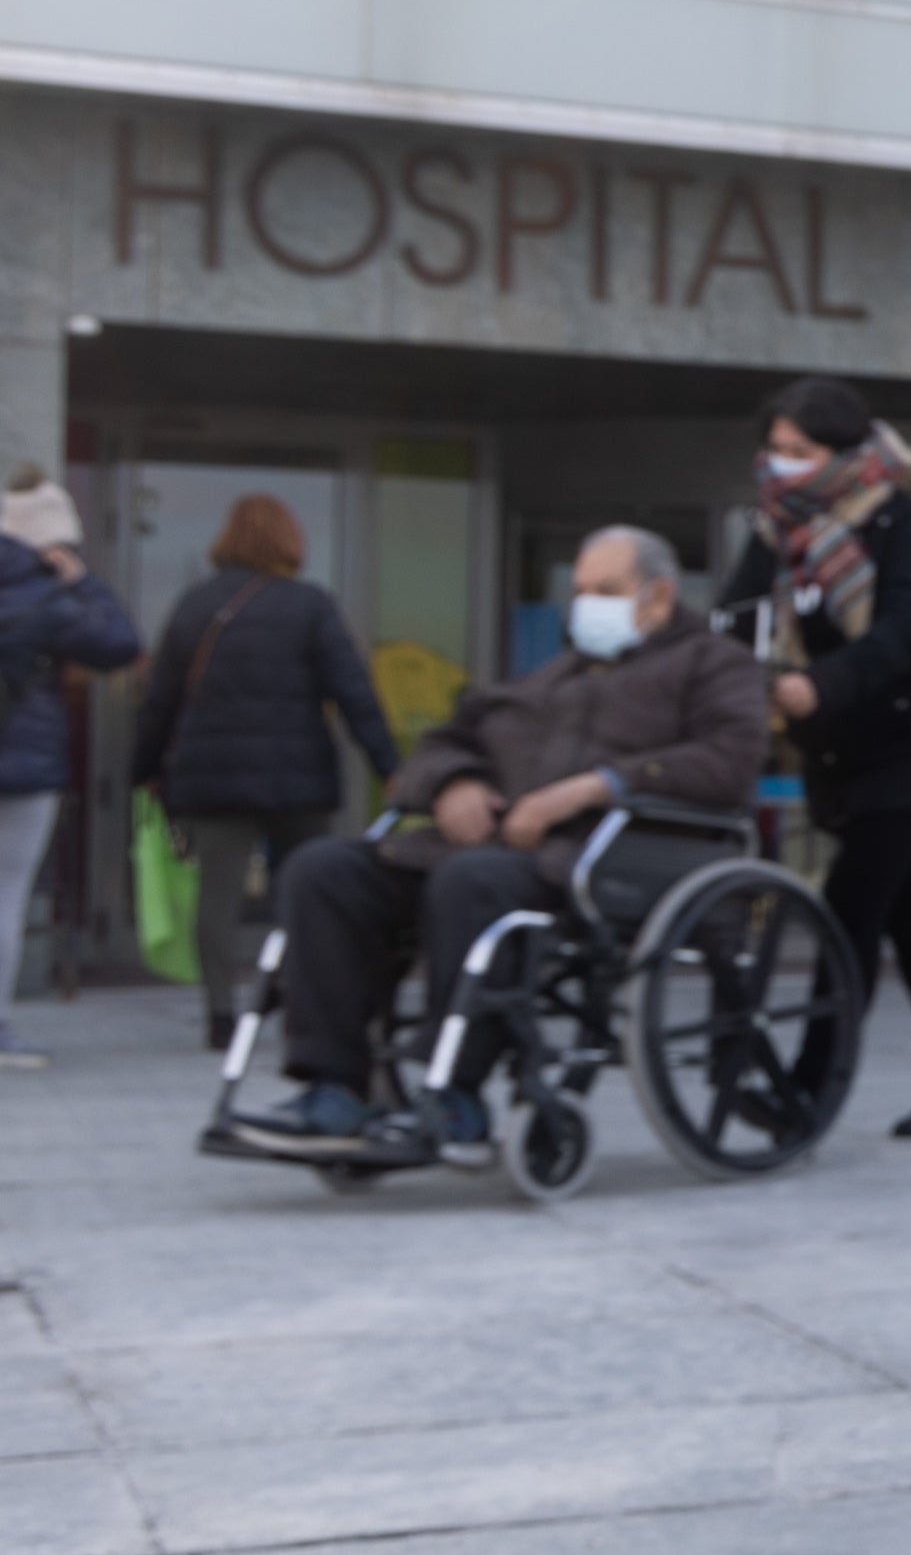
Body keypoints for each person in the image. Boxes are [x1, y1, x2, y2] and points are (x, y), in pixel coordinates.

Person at [252, 526, 763, 1155]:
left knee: (472, 882)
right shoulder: (549, 676)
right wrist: (454, 783)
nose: (587, 606)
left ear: (658, 598)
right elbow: (443, 742)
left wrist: (589, 789)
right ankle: (333, 1088)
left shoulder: (714, 664)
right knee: (323, 869)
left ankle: (457, 1097)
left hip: (603, 860)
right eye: (580, 592)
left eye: (606, 590)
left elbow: (731, 761)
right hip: (492, 848)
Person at [717, 376, 911, 1139]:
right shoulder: (781, 525)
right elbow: (739, 616)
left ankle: (807, 1092)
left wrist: (820, 685)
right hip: (850, 750)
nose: (778, 465)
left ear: (842, 453)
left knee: (848, 910)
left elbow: (909, 625)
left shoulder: (907, 508)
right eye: (773, 449)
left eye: (797, 452)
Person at [130, 494, 403, 1051]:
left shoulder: (194, 605)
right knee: (309, 889)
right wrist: (390, 768)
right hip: (297, 778)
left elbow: (159, 701)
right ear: (290, 542)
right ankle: (305, 999)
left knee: (218, 895)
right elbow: (355, 695)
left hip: (213, 779)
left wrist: (146, 770)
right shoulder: (311, 606)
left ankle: (220, 1014)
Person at [0, 469, 142, 1069]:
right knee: (5, 897)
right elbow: (119, 645)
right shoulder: (52, 597)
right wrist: (85, 583)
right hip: (23, 769)